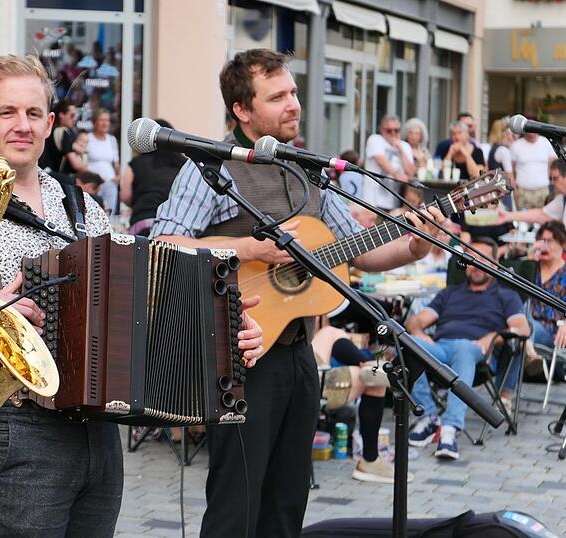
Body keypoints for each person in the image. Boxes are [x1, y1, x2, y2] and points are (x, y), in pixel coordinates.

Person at [0, 53, 266, 537]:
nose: (22, 126)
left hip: (101, 430)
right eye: (7, 113)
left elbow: (144, 305)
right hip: (15, 426)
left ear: (49, 123)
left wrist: (225, 331)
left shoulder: (81, 204)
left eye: (33, 113)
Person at [150, 48, 447, 538]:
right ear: (242, 110)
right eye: (278, 96)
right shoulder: (210, 169)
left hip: (297, 354)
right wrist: (247, 246)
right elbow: (164, 245)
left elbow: (356, 249)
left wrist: (413, 247)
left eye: (293, 92)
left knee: (287, 505)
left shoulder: (305, 171)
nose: (294, 104)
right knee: (235, 507)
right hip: (238, 356)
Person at [406, 237, 530, 460]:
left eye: (481, 259)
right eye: (470, 259)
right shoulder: (450, 293)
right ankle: (428, 417)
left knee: (464, 348)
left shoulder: (506, 296)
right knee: (410, 345)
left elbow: (522, 328)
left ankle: (450, 430)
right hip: (441, 350)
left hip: (477, 354)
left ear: (494, 263)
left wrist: (491, 337)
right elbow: (415, 323)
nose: (475, 264)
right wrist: (422, 336)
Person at [311, 326, 402, 484]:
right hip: (294, 377)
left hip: (289, 357)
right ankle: (370, 460)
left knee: (330, 331)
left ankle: (369, 365)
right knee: (375, 380)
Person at [498, 158, 566, 258]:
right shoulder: (565, 198)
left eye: (555, 178)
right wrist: (508, 216)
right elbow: (543, 214)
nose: (552, 183)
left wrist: (562, 231)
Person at [526, 221, 566, 356]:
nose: (545, 245)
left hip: (552, 331)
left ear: (562, 243)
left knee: (525, 329)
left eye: (550, 241)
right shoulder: (532, 267)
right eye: (542, 240)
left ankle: (527, 347)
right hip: (526, 321)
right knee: (522, 314)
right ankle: (527, 348)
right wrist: (530, 259)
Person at [120, 118, 186, 236]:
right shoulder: (184, 165)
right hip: (174, 225)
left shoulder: (137, 163)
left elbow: (125, 196)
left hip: (143, 221)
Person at [363, 114, 416, 211]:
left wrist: (400, 149)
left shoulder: (405, 146)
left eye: (396, 130)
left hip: (395, 202)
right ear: (382, 130)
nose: (393, 133)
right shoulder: (375, 139)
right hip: (373, 201)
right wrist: (397, 175)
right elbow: (381, 160)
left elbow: (411, 172)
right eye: (389, 130)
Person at [510, 127, 556, 210]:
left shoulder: (545, 142)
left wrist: (551, 178)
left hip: (543, 191)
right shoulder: (516, 145)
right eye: (529, 128)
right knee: (522, 221)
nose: (532, 131)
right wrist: (514, 189)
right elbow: (511, 169)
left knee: (543, 220)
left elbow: (552, 163)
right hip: (523, 191)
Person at [86, 108, 121, 215]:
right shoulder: (88, 138)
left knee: (109, 214)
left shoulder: (111, 139)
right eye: (101, 120)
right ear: (94, 122)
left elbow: (116, 162)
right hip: (92, 184)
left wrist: (119, 176)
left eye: (107, 120)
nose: (105, 123)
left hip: (110, 182)